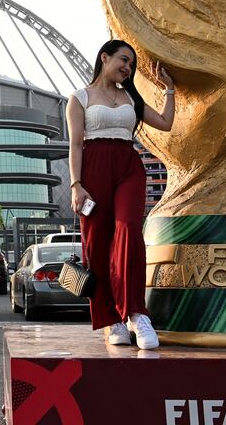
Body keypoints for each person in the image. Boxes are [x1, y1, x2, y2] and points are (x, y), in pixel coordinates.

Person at [67, 39, 174, 349]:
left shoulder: (131, 97)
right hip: (93, 169)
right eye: (124, 60)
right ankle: (111, 320)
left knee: (129, 230)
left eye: (131, 64)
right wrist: (76, 185)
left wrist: (169, 89)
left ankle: (136, 314)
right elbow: (75, 145)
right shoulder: (79, 98)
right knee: (97, 242)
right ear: (105, 57)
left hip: (129, 167)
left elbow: (165, 123)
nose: (128, 68)